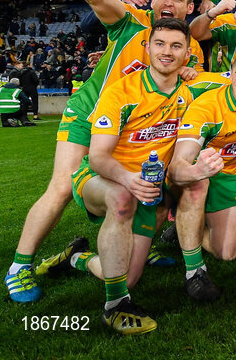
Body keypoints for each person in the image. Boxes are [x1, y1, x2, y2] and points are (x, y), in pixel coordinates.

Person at [4, 0, 201, 304]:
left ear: (189, 7)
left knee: (155, 186)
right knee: (62, 187)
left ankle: (93, 254)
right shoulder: (130, 21)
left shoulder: (187, 49)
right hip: (90, 115)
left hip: (135, 133)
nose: (168, 3)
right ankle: (20, 265)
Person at [36, 18, 196, 334]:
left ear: (187, 54)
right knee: (122, 200)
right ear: (148, 48)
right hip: (102, 179)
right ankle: (116, 308)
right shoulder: (120, 91)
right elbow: (97, 157)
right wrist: (127, 179)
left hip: (146, 191)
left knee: (126, 276)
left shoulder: (189, 96)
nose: (167, 52)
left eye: (176, 46)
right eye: (160, 44)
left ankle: (76, 258)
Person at [168, 51, 236, 302]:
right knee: (198, 183)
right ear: (230, 76)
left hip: (227, 176)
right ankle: (195, 271)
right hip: (193, 174)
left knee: (228, 253)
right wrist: (197, 171)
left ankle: (184, 228)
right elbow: (176, 166)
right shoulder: (207, 107)